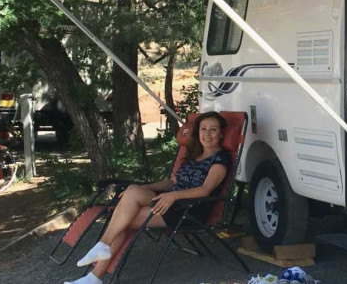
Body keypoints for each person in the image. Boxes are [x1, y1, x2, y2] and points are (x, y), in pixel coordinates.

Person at [64, 111, 231, 284]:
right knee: (133, 193)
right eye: (203, 129)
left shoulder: (220, 159)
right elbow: (172, 181)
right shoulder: (194, 155)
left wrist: (173, 196)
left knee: (124, 219)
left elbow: (205, 189)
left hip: (190, 209)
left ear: (221, 133)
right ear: (198, 132)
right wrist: (144, 187)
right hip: (170, 202)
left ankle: (95, 274)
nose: (207, 134)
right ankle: (98, 263)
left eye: (213, 129)